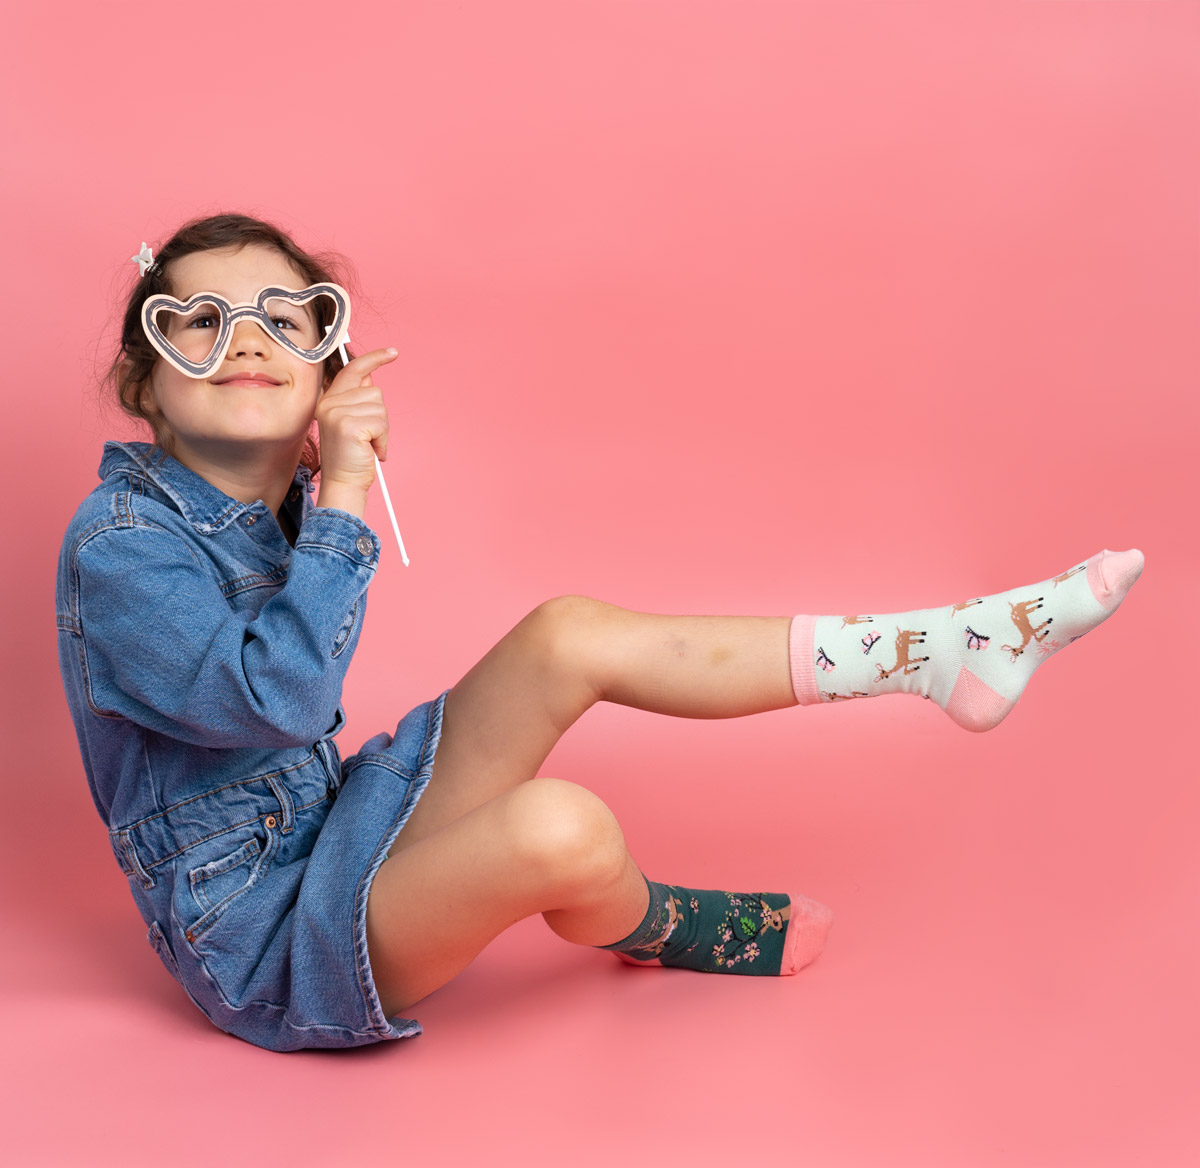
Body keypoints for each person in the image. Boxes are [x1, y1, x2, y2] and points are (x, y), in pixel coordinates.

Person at [56, 212, 1145, 1053]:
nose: (245, 341)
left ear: (327, 370)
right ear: (142, 381)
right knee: (561, 831)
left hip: (331, 836)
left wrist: (313, 493)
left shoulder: (267, 510)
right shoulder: (118, 549)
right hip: (266, 945)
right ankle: (649, 920)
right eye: (198, 322)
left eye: (284, 322)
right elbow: (280, 696)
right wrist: (339, 495)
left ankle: (937, 650)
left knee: (568, 633)